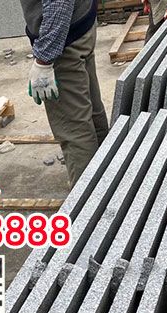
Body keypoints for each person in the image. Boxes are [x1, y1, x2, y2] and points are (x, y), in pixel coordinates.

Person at [22, 0, 109, 186]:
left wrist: (44, 60)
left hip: (65, 39)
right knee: (90, 112)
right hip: (79, 22)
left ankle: (88, 197)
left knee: (74, 129)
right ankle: (106, 182)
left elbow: (59, 2)